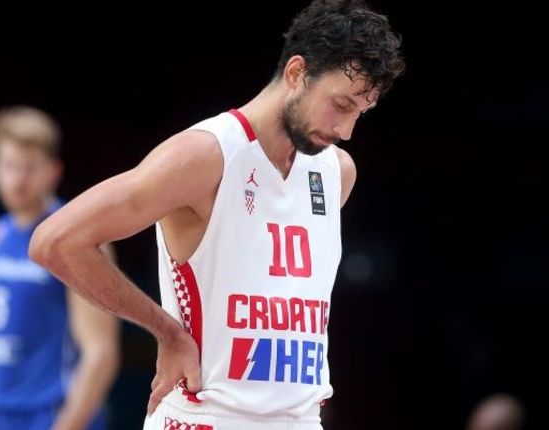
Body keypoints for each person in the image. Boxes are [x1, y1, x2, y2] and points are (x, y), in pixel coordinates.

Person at [29, 0, 405, 428]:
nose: (347, 130)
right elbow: (55, 242)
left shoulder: (336, 171)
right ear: (297, 72)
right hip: (206, 416)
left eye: (360, 112)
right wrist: (166, 330)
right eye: (341, 104)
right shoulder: (205, 155)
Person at [0, 106, 121, 430]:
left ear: (53, 171)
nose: (17, 180)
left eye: (28, 168)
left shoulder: (74, 237)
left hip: (52, 413)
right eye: (9, 166)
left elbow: (101, 354)